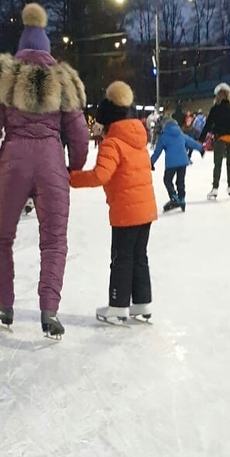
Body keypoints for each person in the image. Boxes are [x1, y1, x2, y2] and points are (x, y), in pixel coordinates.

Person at [0, 2, 89, 338]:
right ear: (48, 51)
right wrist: (73, 166)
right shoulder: (63, 81)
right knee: (54, 240)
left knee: (0, 237)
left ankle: (4, 305)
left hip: (13, 163)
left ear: (21, 48)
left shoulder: (4, 78)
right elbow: (79, 135)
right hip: (51, 163)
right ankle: (49, 310)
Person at [70, 81, 157, 324]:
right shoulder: (138, 139)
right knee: (139, 256)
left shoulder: (113, 142)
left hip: (126, 211)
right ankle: (142, 302)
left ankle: (118, 305)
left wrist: (71, 177)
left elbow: (100, 175)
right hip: (145, 210)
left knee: (121, 258)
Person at [199, 83, 230, 199]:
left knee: (217, 164)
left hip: (220, 138)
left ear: (218, 96)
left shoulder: (215, 109)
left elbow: (208, 125)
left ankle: (215, 188)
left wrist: (201, 139)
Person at [151, 114, 203, 211]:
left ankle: (175, 198)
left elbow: (157, 152)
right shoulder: (180, 133)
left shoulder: (164, 136)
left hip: (171, 163)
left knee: (167, 180)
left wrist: (151, 163)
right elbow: (191, 142)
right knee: (180, 182)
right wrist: (201, 149)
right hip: (183, 161)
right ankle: (182, 200)